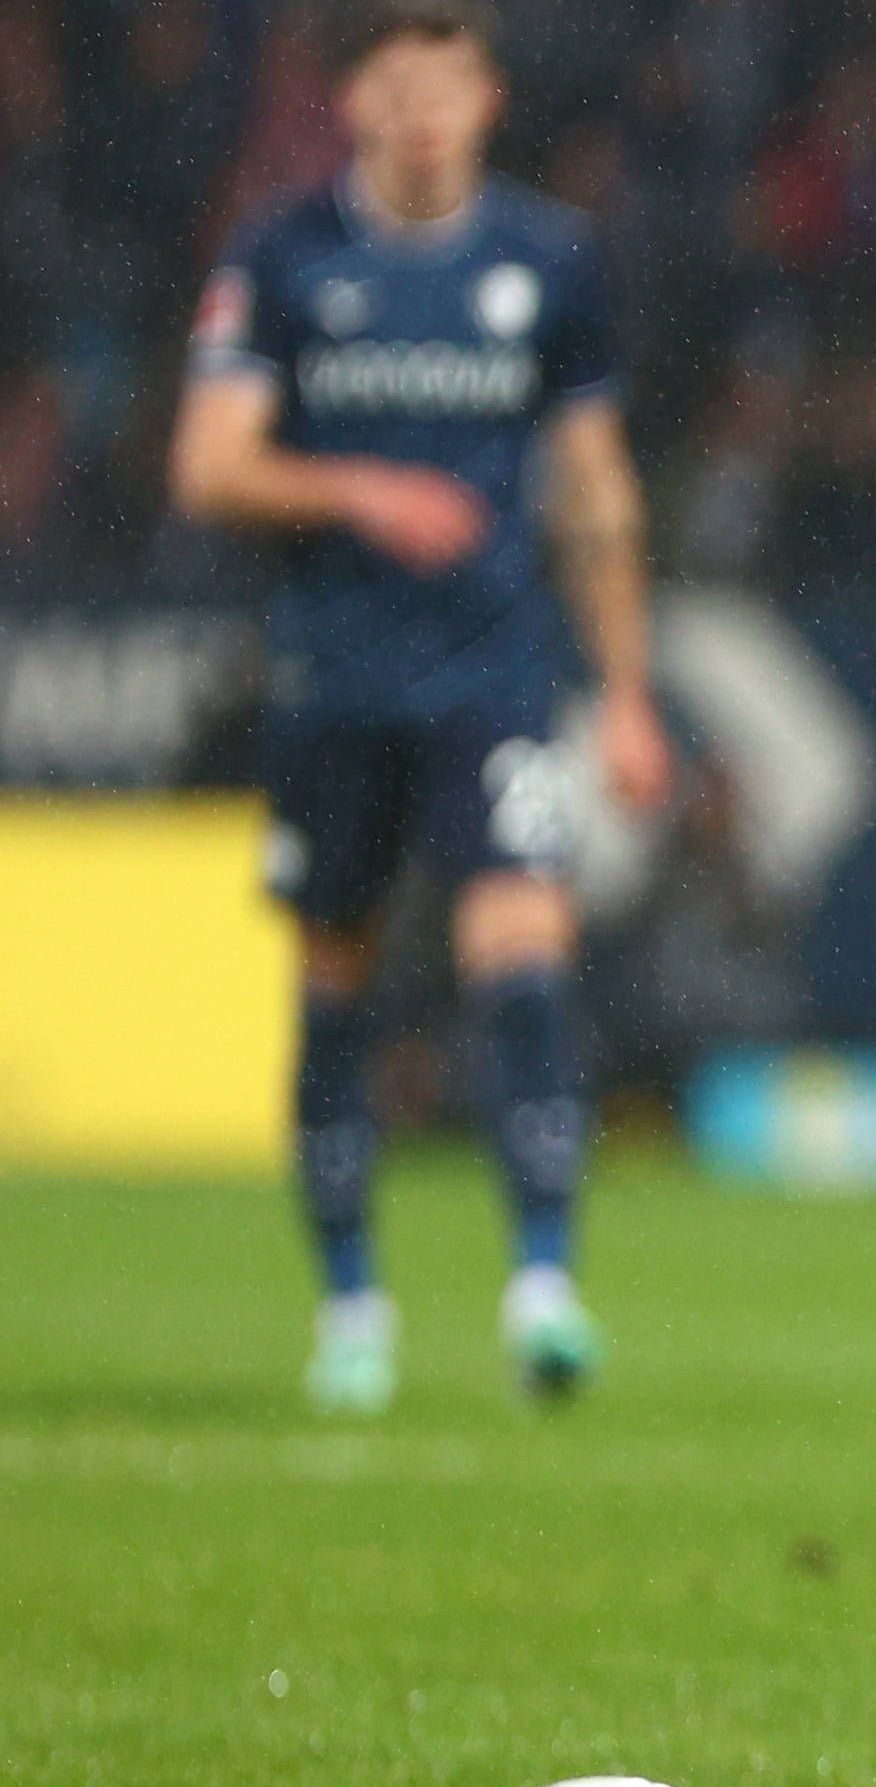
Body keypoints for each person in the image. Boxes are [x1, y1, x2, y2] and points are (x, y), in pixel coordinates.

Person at [170, 0, 668, 1412]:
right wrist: (361, 491)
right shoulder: (282, 256)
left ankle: (545, 1288)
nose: (424, 114)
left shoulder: (547, 264)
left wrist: (626, 693)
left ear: (489, 99)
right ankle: (350, 1308)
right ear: (357, 106)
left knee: (523, 951)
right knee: (334, 989)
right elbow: (208, 466)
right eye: (398, 88)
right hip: (335, 681)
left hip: (494, 675)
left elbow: (595, 487)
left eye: (447, 87)